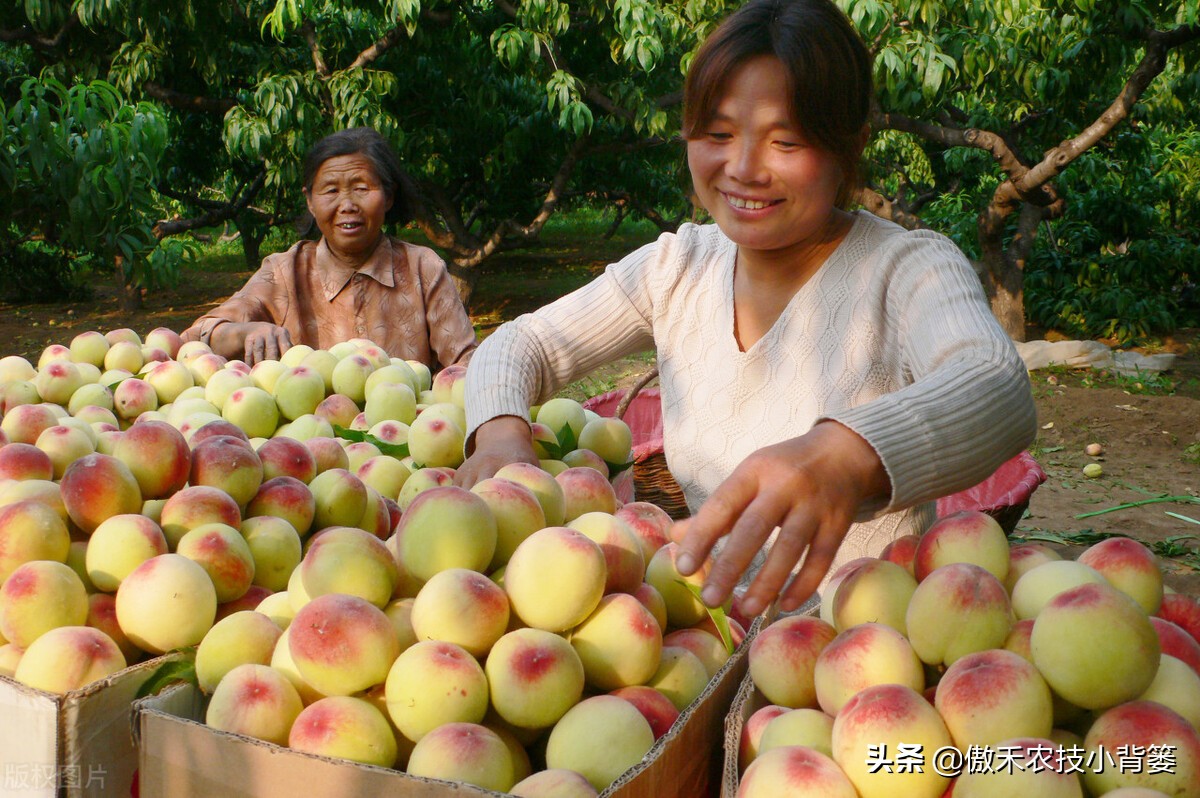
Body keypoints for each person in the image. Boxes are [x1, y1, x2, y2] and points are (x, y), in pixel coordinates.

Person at [455, 0, 1037, 619]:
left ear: (851, 146)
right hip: (712, 639)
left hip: (863, 656)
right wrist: (500, 437)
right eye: (717, 134)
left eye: (785, 140)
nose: (742, 169)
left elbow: (997, 386)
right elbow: (523, 343)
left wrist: (843, 456)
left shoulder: (906, 269)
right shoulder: (676, 268)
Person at [181, 127, 477, 368]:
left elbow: (466, 363)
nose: (347, 206)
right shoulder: (285, 272)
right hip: (307, 438)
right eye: (331, 190)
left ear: (388, 196)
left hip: (407, 435)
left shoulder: (422, 267)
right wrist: (241, 332)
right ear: (310, 200)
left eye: (361, 189)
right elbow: (196, 338)